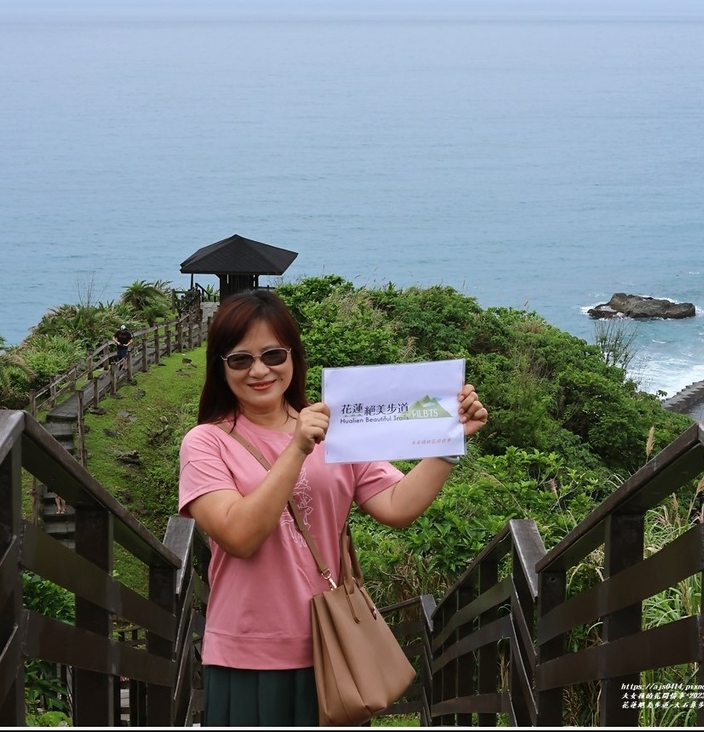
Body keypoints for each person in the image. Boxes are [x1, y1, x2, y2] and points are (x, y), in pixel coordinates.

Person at [178, 289, 488, 727]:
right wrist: (298, 446)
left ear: (293, 356)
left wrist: (449, 443)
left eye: (273, 354)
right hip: (245, 652)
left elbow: (397, 506)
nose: (260, 370)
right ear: (220, 367)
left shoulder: (337, 431)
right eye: (240, 359)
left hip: (333, 646)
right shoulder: (206, 442)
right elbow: (238, 535)